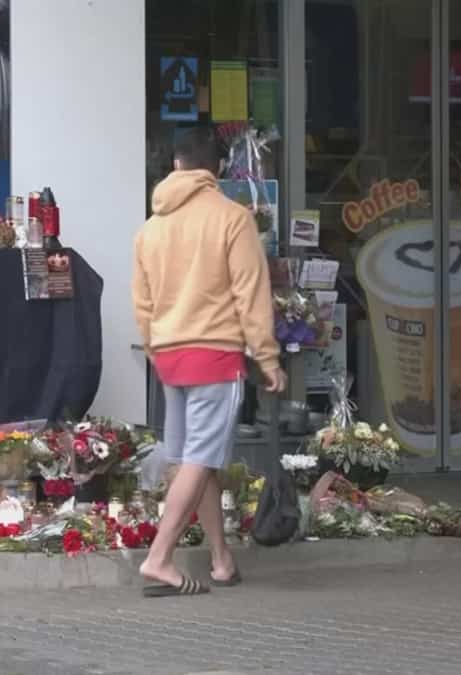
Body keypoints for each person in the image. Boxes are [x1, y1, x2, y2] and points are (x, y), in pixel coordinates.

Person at [132, 127, 286, 597]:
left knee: (194, 461)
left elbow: (142, 302)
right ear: (215, 170)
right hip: (215, 354)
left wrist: (156, 348)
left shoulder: (151, 227)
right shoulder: (231, 218)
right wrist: (267, 356)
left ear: (176, 166)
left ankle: (221, 559)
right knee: (201, 458)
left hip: (170, 357)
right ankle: (159, 559)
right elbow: (251, 294)